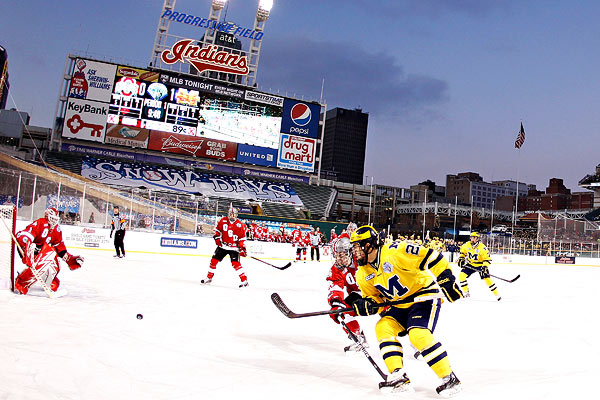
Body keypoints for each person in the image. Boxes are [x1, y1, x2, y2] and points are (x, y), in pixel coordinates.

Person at [349, 225, 463, 396]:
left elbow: (432, 256)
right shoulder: (362, 273)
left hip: (423, 296)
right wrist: (366, 305)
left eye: (357, 247)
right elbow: (377, 299)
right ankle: (398, 377)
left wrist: (446, 278)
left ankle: (449, 379)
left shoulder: (395, 252)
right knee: (383, 327)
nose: (355, 252)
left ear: (369, 245)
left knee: (417, 334)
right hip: (400, 305)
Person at [14, 207, 84, 295]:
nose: (54, 221)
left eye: (56, 219)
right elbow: (25, 235)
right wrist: (27, 248)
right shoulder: (41, 222)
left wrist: (70, 259)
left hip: (39, 252)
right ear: (47, 216)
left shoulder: (56, 229)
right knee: (48, 254)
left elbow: (59, 246)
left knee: (53, 258)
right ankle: (21, 283)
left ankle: (48, 280)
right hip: (28, 249)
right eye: (52, 218)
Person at [326, 237, 366, 352]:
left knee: (393, 315)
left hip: (376, 292)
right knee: (340, 311)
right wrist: (336, 301)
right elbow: (335, 285)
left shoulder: (363, 259)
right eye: (336, 256)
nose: (339, 259)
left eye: (342, 255)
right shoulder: (337, 268)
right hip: (358, 294)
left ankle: (418, 339)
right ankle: (358, 338)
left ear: (350, 252)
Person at [202, 204, 248, 288]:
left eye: (234, 214)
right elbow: (217, 231)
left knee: (236, 264)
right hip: (223, 246)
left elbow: (242, 238)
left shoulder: (240, 225)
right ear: (228, 214)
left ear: (236, 215)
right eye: (230, 214)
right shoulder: (222, 220)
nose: (232, 216)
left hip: (234, 248)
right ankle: (209, 277)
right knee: (213, 261)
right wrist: (217, 239)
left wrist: (242, 248)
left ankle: (244, 281)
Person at [458, 232, 501, 301]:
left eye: (474, 237)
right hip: (470, 264)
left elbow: (487, 259)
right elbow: (462, 253)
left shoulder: (482, 248)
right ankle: (466, 293)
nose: (472, 239)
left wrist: (484, 267)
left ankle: (497, 294)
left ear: (478, 239)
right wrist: (461, 258)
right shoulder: (466, 245)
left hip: (480, 265)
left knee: (487, 279)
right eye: (471, 237)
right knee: (461, 276)